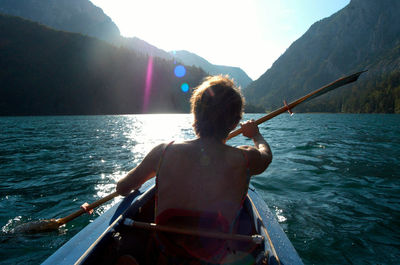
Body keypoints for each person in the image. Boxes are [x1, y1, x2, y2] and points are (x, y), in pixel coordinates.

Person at [116, 75, 272, 263]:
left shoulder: (163, 151)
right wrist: (256, 135)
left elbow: (122, 187)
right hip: (213, 257)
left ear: (195, 115)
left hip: (167, 253)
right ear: (233, 123)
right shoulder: (244, 158)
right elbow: (266, 155)